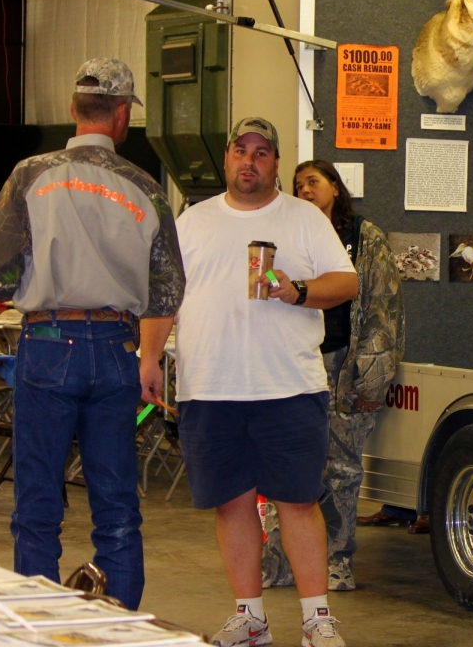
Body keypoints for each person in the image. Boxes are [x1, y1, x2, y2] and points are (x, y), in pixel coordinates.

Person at [0, 58, 184, 610]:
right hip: (118, 351)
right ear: (122, 117)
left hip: (48, 346)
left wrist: (30, 278)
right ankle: (117, 625)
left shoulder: (30, 174)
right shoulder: (145, 187)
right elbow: (167, 290)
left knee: (37, 506)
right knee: (117, 506)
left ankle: (39, 630)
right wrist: (147, 357)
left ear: (75, 111)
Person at [172, 118, 358, 647]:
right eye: (240, 149)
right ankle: (250, 617)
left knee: (298, 501)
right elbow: (162, 294)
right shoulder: (193, 221)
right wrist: (145, 358)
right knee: (232, 502)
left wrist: (297, 290)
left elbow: (346, 282)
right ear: (227, 158)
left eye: (261, 152)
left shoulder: (302, 218)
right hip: (210, 388)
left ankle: (317, 619)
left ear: (276, 162)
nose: (249, 160)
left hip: (289, 387)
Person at [262, 159, 404, 592]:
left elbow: (386, 310)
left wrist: (372, 374)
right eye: (298, 184)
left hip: (347, 366)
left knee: (341, 470)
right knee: (284, 467)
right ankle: (279, 563)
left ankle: (337, 562)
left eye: (314, 182)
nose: (305, 190)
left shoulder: (365, 239)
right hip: (293, 365)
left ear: (336, 189)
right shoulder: (286, 235)